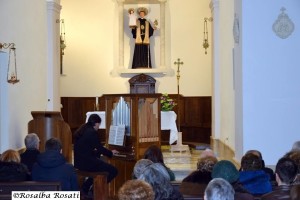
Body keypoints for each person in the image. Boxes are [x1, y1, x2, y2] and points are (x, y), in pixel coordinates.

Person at [73, 114, 118, 193]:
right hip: (87, 163)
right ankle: (94, 190)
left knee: (100, 169)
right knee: (113, 170)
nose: (98, 127)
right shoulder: (92, 132)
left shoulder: (82, 130)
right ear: (96, 123)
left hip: (79, 163)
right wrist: (111, 153)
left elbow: (85, 149)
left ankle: (86, 187)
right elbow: (100, 148)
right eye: (99, 125)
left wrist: (98, 152)